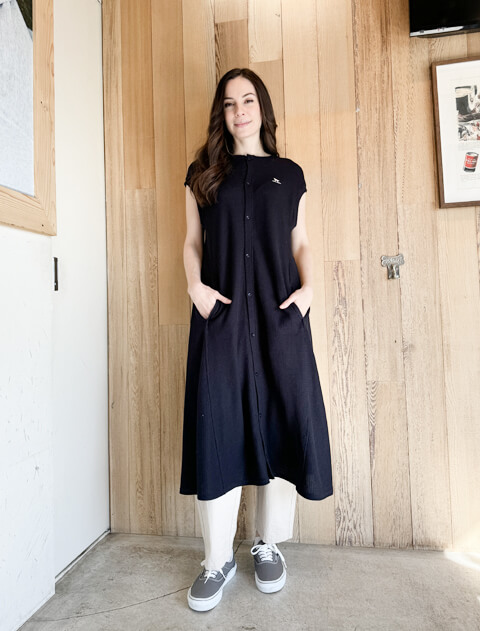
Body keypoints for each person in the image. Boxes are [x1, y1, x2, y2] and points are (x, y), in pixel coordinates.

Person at [181, 67, 333, 612]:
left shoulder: (289, 175)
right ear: (221, 114)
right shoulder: (203, 174)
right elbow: (191, 241)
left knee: (281, 425)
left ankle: (268, 544)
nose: (239, 110)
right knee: (217, 426)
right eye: (229, 103)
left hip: (279, 317)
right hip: (219, 317)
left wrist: (310, 289)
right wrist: (195, 287)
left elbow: (301, 241)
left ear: (262, 108)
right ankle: (216, 558)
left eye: (247, 100)